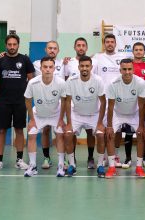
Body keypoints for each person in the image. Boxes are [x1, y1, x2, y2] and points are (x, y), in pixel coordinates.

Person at [0, 34, 34, 171]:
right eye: (9, 44)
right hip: (4, 101)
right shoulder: (0, 61)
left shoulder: (25, 59)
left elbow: (30, 79)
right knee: (2, 130)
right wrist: (5, 90)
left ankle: (19, 160)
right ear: (6, 45)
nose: (12, 47)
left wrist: (19, 91)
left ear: (18, 45)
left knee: (19, 129)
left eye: (14, 44)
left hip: (20, 101)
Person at [23, 57, 66, 177]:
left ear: (54, 69)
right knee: (31, 134)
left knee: (60, 135)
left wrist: (61, 118)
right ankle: (33, 166)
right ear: (40, 68)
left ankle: (61, 165)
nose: (48, 69)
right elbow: (27, 100)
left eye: (50, 67)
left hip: (55, 114)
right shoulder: (32, 83)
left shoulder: (61, 83)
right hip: (38, 114)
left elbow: (64, 101)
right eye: (45, 67)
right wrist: (31, 119)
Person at [64, 55, 107, 177]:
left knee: (100, 135)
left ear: (91, 67)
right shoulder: (71, 81)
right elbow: (67, 101)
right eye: (82, 66)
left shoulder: (98, 80)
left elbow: (103, 102)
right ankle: (72, 164)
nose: (85, 68)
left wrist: (99, 123)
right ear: (78, 67)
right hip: (77, 114)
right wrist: (69, 122)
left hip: (93, 114)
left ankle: (99, 165)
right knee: (68, 134)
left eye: (87, 66)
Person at [105, 58, 145, 178]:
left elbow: (142, 106)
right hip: (118, 114)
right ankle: (112, 167)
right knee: (110, 135)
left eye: (129, 69)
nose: (127, 72)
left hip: (134, 113)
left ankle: (139, 167)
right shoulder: (113, 84)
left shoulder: (140, 83)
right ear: (120, 70)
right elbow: (110, 107)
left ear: (133, 69)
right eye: (124, 69)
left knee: (140, 135)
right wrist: (109, 126)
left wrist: (141, 125)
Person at [93, 34, 129, 168]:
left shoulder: (122, 58)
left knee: (117, 128)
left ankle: (115, 155)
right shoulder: (97, 57)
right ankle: (102, 157)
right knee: (102, 130)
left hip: (119, 97)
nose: (109, 44)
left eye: (112, 42)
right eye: (107, 42)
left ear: (115, 43)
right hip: (103, 98)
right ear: (104, 43)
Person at [64, 37, 98, 169]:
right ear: (74, 47)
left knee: (91, 133)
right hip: (74, 105)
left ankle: (90, 157)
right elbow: (66, 80)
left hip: (90, 104)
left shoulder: (94, 61)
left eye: (83, 45)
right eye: (78, 45)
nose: (81, 47)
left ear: (87, 48)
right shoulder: (68, 62)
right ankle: (72, 159)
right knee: (72, 133)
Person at [32, 40, 67, 169]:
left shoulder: (64, 63)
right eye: (50, 48)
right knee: (46, 130)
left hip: (59, 104)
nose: (52, 50)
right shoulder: (36, 64)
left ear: (58, 50)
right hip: (43, 103)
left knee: (60, 132)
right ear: (45, 50)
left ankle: (63, 160)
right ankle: (47, 158)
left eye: (55, 48)